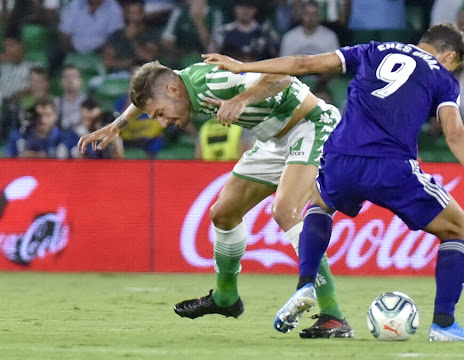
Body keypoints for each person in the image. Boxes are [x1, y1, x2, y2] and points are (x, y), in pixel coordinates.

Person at [203, 23, 464, 341]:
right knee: (457, 228)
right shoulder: (441, 75)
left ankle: (306, 283)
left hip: (340, 157)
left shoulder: (371, 50)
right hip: (391, 165)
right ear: (449, 55)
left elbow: (303, 64)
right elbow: (454, 134)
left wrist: (242, 66)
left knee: (320, 204)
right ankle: (444, 325)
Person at [77, 60, 353, 338]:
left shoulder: (215, 83)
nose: (163, 122)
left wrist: (240, 100)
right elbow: (150, 90)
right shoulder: (177, 85)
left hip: (311, 125)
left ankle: (333, 316)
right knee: (223, 213)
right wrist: (117, 125)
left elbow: (280, 77)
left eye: (161, 113)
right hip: (274, 139)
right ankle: (225, 297)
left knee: (284, 209)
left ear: (173, 90)